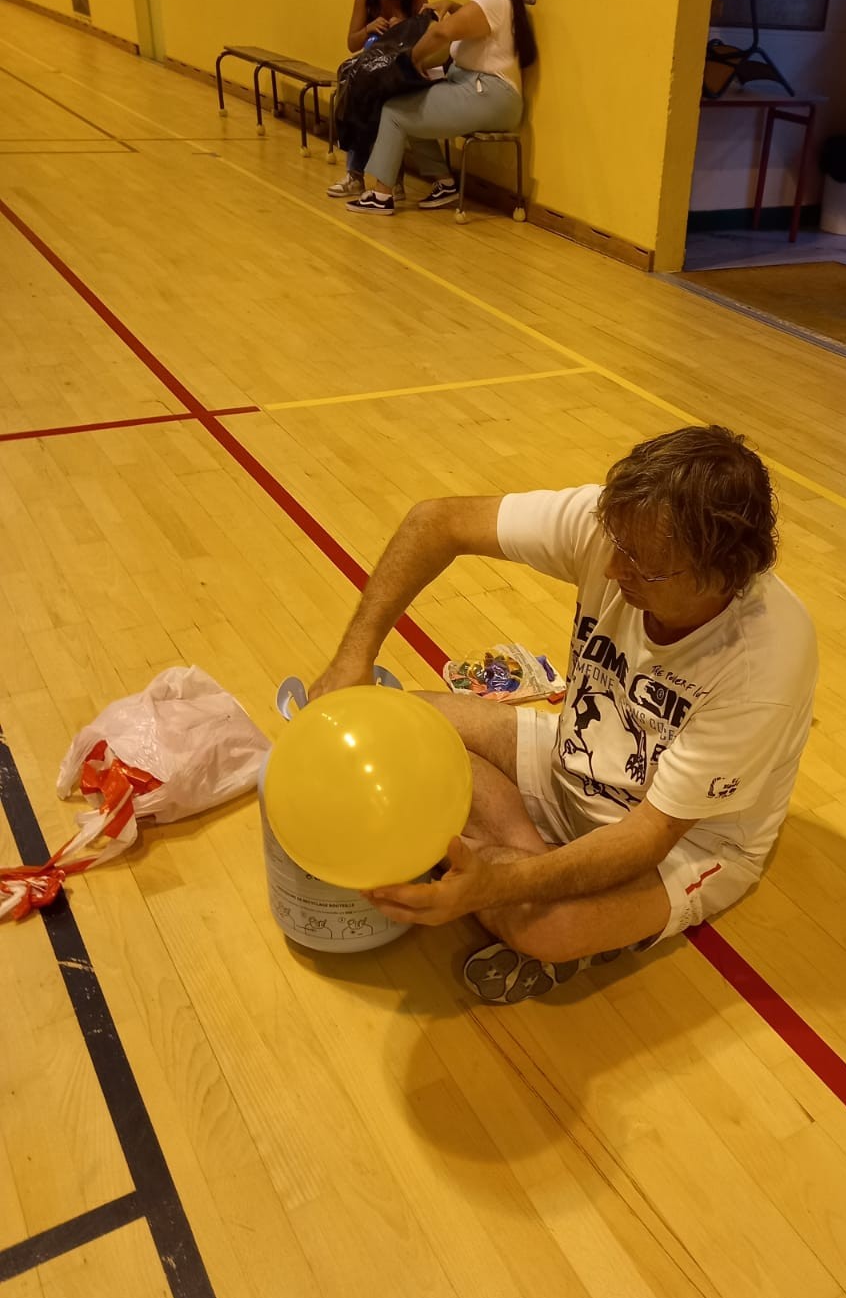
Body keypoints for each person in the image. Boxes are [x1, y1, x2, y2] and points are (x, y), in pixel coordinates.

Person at [310, 426, 819, 1004]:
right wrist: (356, 657)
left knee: (549, 929)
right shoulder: (621, 528)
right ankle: (525, 864)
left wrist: (498, 884)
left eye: (642, 567)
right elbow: (438, 521)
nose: (611, 572)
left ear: (720, 576)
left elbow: (650, 835)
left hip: (687, 840)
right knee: (384, 717)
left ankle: (527, 891)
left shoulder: (764, 664)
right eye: (616, 545)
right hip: (568, 756)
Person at [346, 0, 537, 216]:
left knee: (395, 112)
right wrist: (452, 4)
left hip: (490, 95)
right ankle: (444, 183)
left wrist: (411, 59)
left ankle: (382, 194)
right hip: (487, 93)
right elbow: (477, 23)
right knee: (412, 100)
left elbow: (442, 32)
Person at [328, 0, 428, 201]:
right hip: (372, 72)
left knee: (383, 102)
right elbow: (352, 42)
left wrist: (404, 28)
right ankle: (356, 174)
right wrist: (369, 29)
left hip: (403, 73)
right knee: (359, 91)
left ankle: (391, 177)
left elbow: (426, 39)